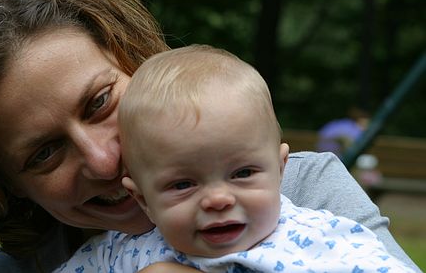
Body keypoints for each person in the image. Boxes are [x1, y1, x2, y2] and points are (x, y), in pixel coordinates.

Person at [0, 0, 419, 273]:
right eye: (44, 153)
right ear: (3, 184)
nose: (104, 159)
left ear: (138, 62)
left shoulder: (305, 194)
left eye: (99, 102)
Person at [57, 45, 415, 272]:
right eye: (183, 184)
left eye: (242, 173)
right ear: (143, 199)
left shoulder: (324, 240)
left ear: (280, 170)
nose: (217, 199)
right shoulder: (121, 253)